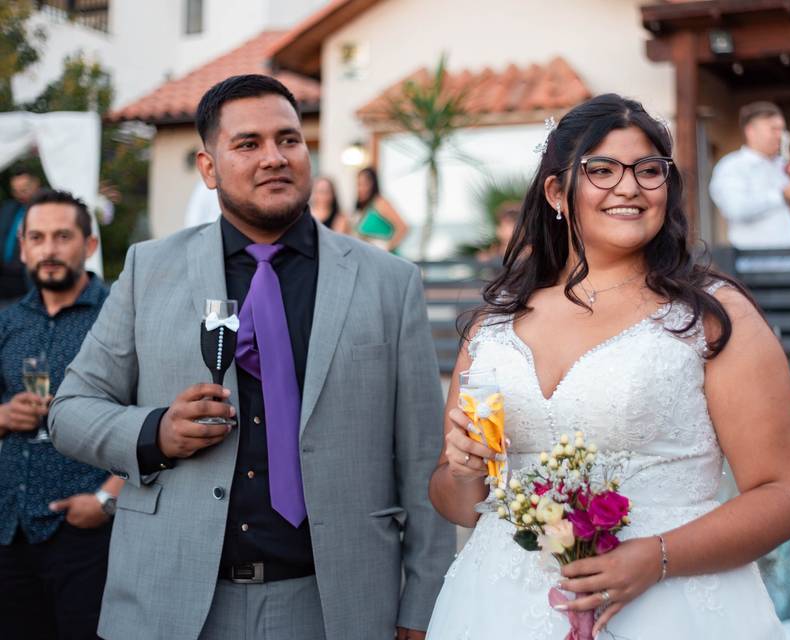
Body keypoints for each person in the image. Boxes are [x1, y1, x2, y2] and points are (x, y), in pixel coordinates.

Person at [49, 74, 454, 640]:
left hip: (336, 602)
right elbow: (69, 410)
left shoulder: (388, 282)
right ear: (209, 167)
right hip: (173, 598)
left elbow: (424, 459)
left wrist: (424, 604)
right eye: (248, 144)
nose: (274, 158)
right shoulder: (149, 270)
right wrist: (154, 431)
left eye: (289, 140)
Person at [426, 94, 790, 639]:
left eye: (648, 171)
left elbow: (787, 495)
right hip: (497, 607)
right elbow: (457, 503)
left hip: (669, 606)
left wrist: (655, 558)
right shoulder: (493, 328)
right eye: (602, 170)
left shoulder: (711, 316)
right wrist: (464, 473)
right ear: (557, 191)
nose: (629, 187)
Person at [0, 189, 121, 640]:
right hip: (10, 532)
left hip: (86, 531)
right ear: (24, 246)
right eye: (38, 237)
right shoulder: (8, 322)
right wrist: (4, 416)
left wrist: (106, 502)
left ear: (88, 245)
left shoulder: (117, 316)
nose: (49, 250)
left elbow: (151, 416)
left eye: (62, 236)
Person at [709, 101, 790, 268]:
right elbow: (735, 209)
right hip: (759, 273)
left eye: (782, 129)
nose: (780, 135)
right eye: (773, 129)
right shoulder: (732, 166)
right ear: (750, 131)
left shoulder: (787, 166)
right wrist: (783, 195)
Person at [0, 169, 42, 306]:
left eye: (24, 189)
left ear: (36, 184)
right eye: (15, 191)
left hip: (27, 280)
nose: (20, 195)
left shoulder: (47, 211)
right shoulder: (9, 207)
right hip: (4, 276)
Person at [353, 166, 408, 252]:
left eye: (365, 184)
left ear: (373, 184)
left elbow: (403, 227)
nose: (361, 188)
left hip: (385, 259)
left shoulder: (380, 203)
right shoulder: (364, 208)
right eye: (359, 184)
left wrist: (386, 249)